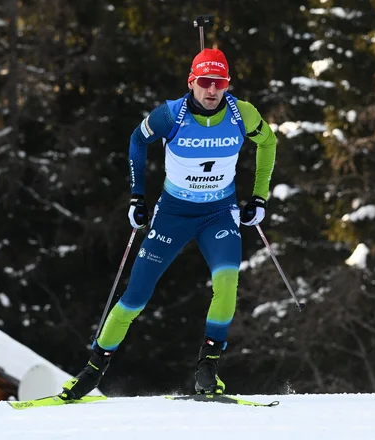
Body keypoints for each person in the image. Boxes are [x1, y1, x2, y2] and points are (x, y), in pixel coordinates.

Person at [59, 48, 277, 399]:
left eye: (219, 83)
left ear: (227, 84)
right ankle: (93, 369)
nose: (212, 90)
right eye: (204, 82)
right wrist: (136, 197)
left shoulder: (242, 114)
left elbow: (269, 142)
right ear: (191, 82)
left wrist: (260, 196)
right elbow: (136, 140)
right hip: (174, 214)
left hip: (218, 213)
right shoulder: (170, 116)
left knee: (227, 281)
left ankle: (208, 368)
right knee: (136, 296)